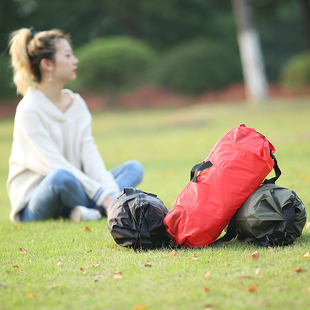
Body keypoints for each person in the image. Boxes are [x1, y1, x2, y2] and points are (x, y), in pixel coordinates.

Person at [7, 27, 144, 224]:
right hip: (38, 202)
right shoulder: (28, 109)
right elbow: (54, 164)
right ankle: (98, 209)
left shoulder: (77, 104)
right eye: (68, 55)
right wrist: (104, 197)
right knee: (62, 177)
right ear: (47, 64)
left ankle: (90, 211)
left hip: (79, 190)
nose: (75, 60)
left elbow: (90, 154)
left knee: (134, 168)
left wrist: (111, 194)